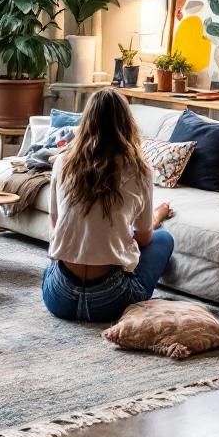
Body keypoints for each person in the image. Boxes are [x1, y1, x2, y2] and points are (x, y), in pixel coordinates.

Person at [42, 87, 174, 322]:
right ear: (127, 123)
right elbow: (144, 239)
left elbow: (55, 228)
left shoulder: (62, 162)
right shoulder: (140, 169)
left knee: (52, 267)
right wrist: (157, 217)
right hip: (111, 301)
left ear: (86, 122)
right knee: (163, 238)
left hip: (59, 299)